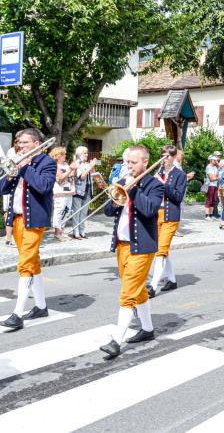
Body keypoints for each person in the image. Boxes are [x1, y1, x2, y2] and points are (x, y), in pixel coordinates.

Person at [100, 145, 164, 359]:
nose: (128, 166)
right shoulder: (122, 181)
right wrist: (116, 190)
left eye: (133, 162)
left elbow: (149, 210)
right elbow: (108, 211)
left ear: (145, 162)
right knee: (138, 291)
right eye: (127, 162)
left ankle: (116, 340)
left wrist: (132, 189)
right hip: (122, 245)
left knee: (128, 294)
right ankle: (147, 329)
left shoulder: (155, 185)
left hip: (142, 246)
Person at [0, 128, 56, 330]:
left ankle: (17, 314)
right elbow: (2, 189)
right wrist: (11, 173)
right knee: (32, 263)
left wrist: (24, 167)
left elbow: (43, 186)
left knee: (24, 264)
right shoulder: (17, 162)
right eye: (18, 143)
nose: (19, 146)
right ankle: (41, 306)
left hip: (34, 220)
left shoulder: (47, 162)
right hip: (17, 219)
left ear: (36, 143)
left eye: (23, 142)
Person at [147, 145, 187, 297]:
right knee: (161, 249)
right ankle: (172, 280)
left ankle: (153, 285)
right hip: (156, 214)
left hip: (171, 216)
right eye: (162, 156)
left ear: (174, 157)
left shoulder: (180, 175)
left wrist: (163, 185)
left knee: (161, 250)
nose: (164, 160)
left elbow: (177, 197)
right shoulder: (157, 172)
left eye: (167, 157)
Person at [70, 146, 97, 239]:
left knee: (84, 212)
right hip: (78, 190)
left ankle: (82, 231)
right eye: (84, 153)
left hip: (88, 190)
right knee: (76, 212)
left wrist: (93, 168)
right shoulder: (77, 163)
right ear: (79, 154)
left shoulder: (87, 164)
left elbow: (93, 175)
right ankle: (75, 232)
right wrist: (91, 166)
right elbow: (81, 176)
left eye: (87, 153)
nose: (87, 155)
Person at [49, 146, 74, 241]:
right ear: (58, 156)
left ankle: (62, 232)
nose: (65, 156)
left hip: (68, 191)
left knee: (66, 212)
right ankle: (57, 233)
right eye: (63, 155)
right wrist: (70, 169)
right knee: (59, 212)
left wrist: (73, 169)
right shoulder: (54, 166)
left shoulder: (66, 165)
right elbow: (60, 179)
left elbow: (71, 177)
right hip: (59, 192)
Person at [204, 155, 219, 220]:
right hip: (210, 185)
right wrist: (217, 178)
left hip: (215, 185)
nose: (216, 161)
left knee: (213, 201)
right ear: (211, 160)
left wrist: (216, 175)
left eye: (216, 160)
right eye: (214, 160)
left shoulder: (215, 168)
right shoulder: (208, 167)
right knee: (209, 200)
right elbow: (211, 178)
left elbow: (215, 177)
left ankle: (211, 215)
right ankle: (207, 215)